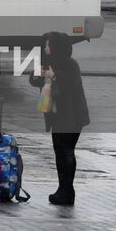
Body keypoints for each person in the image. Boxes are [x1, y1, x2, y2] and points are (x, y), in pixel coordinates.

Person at [29, 31, 90, 205]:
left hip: (72, 115)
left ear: (58, 47)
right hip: (57, 115)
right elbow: (35, 80)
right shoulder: (49, 63)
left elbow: (69, 84)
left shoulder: (71, 64)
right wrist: (37, 75)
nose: (46, 48)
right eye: (45, 45)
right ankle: (62, 188)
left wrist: (53, 76)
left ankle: (68, 190)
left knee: (67, 151)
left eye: (49, 45)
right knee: (59, 152)